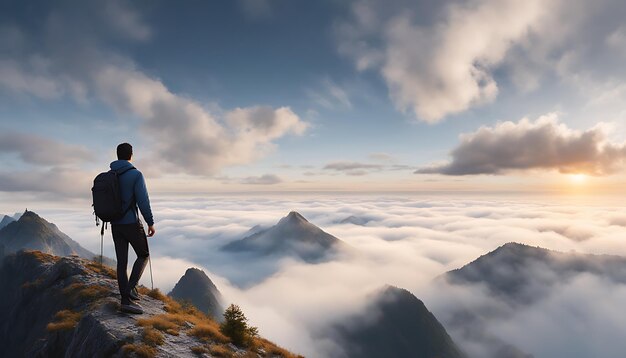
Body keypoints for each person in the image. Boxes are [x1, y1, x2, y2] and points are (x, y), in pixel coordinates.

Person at [110, 142, 156, 314]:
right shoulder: (135, 174)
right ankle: (131, 288)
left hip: (115, 225)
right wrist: (150, 222)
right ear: (131, 155)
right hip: (130, 223)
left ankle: (125, 301)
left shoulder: (111, 174)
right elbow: (143, 201)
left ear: (117, 155)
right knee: (143, 255)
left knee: (122, 263)